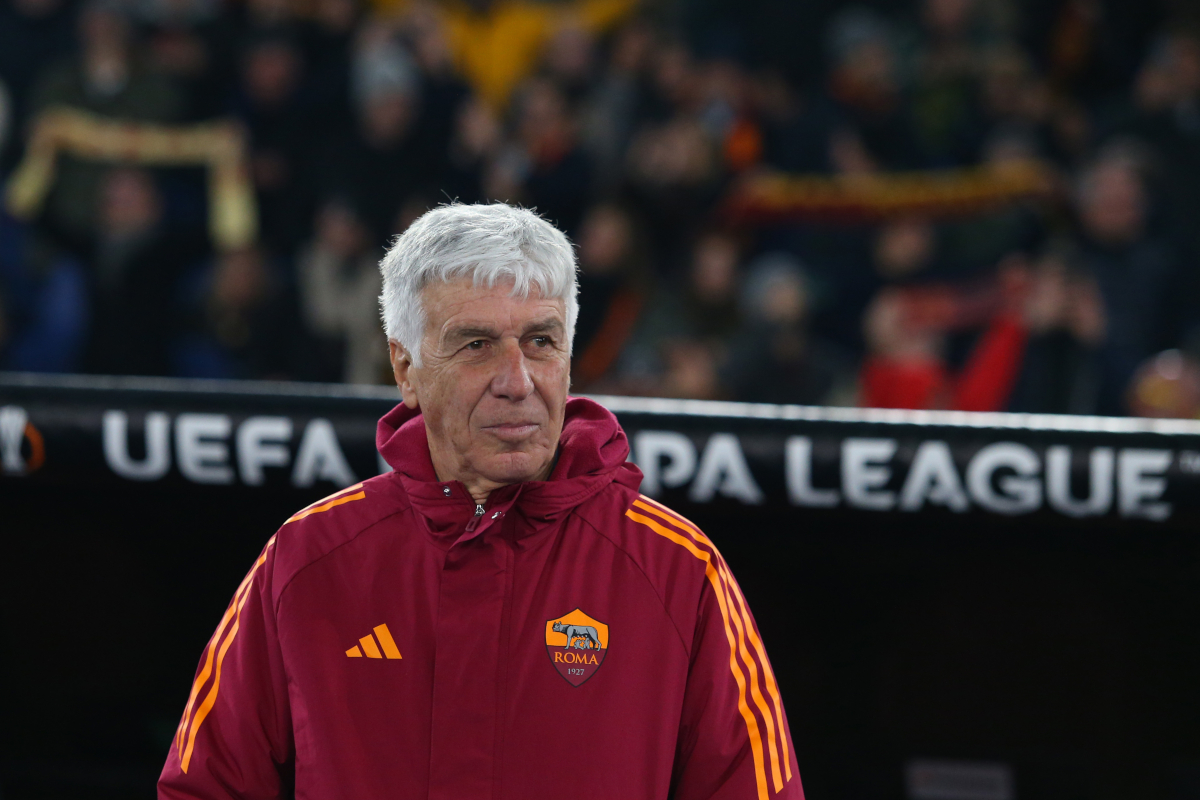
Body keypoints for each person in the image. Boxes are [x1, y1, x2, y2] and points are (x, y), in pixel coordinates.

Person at [158, 202, 803, 800]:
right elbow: (204, 786)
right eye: (476, 344)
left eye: (541, 342)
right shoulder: (305, 558)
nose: (517, 381)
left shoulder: (679, 569)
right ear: (405, 367)